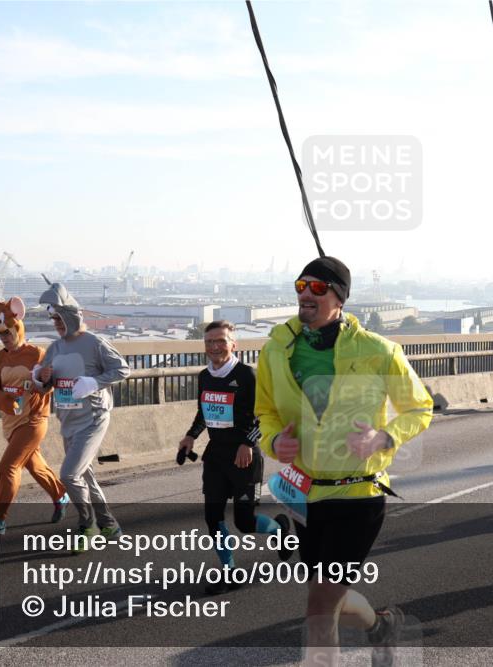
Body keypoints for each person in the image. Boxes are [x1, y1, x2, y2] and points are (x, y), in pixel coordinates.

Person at [255, 256, 433, 666]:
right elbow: (265, 411)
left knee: (319, 605)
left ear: (339, 298)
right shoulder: (275, 352)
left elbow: (420, 408)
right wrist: (273, 440)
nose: (305, 294)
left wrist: (383, 437)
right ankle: (381, 625)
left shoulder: (378, 351)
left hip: (358, 493)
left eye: (318, 288)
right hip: (304, 496)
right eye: (301, 285)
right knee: (325, 596)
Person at [178, 320, 293, 595]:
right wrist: (190, 436)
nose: (215, 347)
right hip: (216, 456)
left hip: (245, 457)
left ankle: (279, 531)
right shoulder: (204, 376)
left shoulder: (247, 376)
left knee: (244, 522)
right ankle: (229, 572)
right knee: (212, 517)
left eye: (221, 341)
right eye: (209, 342)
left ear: (233, 344)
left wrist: (247, 443)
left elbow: (264, 415)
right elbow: (204, 412)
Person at [32, 282, 130, 551]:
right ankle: (109, 524)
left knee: (69, 475)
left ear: (72, 317)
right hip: (68, 419)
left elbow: (122, 370)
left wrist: (94, 382)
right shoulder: (55, 347)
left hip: (94, 417)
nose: (57, 324)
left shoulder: (95, 342)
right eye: (53, 319)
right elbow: (41, 380)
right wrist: (41, 378)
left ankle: (88, 526)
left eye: (60, 318)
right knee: (84, 475)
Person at [0, 297, 69, 534]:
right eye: (0, 334)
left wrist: (43, 381)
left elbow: (52, 381)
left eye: (7, 333)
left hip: (33, 420)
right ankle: (60, 495)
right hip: (10, 422)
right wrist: (4, 399)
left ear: (17, 329)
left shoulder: (37, 354)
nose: (4, 338)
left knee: (8, 468)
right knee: (35, 466)